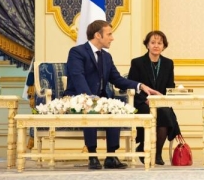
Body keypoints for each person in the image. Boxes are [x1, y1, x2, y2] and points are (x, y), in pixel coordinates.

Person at [64, 20, 155, 170]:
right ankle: (92, 155)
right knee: (91, 109)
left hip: (102, 99)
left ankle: (111, 156)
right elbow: (77, 76)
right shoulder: (77, 52)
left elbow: (117, 79)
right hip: (78, 98)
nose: (112, 38)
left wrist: (140, 85)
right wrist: (90, 99)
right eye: (109, 34)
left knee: (115, 109)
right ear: (97, 35)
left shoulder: (106, 57)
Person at [128, 30, 181, 165]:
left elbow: (170, 86)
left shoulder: (168, 63)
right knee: (159, 114)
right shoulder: (137, 63)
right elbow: (132, 85)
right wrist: (145, 99)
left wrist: (163, 99)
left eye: (159, 43)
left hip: (161, 102)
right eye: (153, 43)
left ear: (163, 46)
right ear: (147, 45)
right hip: (142, 103)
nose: (156, 45)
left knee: (165, 113)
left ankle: (157, 153)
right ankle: (146, 147)